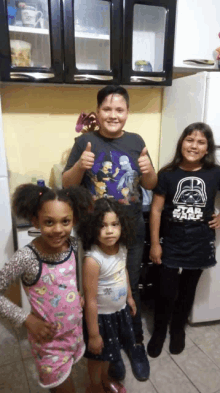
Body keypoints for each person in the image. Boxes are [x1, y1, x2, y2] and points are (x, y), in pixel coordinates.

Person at [63, 85, 157, 381]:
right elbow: (67, 184)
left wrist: (148, 169)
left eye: (119, 110)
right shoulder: (85, 142)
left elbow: (151, 184)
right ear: (98, 111)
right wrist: (80, 165)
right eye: (107, 109)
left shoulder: (136, 141)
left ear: (127, 113)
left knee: (131, 286)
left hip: (131, 227)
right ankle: (110, 348)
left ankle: (136, 342)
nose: (113, 115)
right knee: (101, 291)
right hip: (97, 230)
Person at [0, 183, 93, 392]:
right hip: (49, 344)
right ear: (35, 221)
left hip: (75, 334)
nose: (58, 229)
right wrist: (27, 319)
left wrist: (79, 293)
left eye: (65, 221)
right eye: (49, 222)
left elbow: (71, 275)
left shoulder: (73, 244)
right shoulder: (26, 257)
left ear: (74, 220)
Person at [148, 122, 220, 358]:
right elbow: (156, 210)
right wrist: (156, 243)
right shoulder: (168, 174)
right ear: (182, 143)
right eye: (190, 139)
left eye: (201, 142)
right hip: (171, 243)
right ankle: (159, 331)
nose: (194, 145)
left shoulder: (215, 173)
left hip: (200, 243)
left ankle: (178, 330)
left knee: (188, 291)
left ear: (207, 148)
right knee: (165, 291)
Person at [77, 198, 137, 393]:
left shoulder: (122, 248)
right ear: (93, 229)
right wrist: (93, 335)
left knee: (109, 354)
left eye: (114, 224)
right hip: (100, 319)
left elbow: (123, 272)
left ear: (122, 225)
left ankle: (104, 379)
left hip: (118, 313)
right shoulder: (93, 260)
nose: (109, 231)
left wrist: (129, 297)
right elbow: (91, 300)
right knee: (97, 358)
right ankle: (94, 387)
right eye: (102, 226)